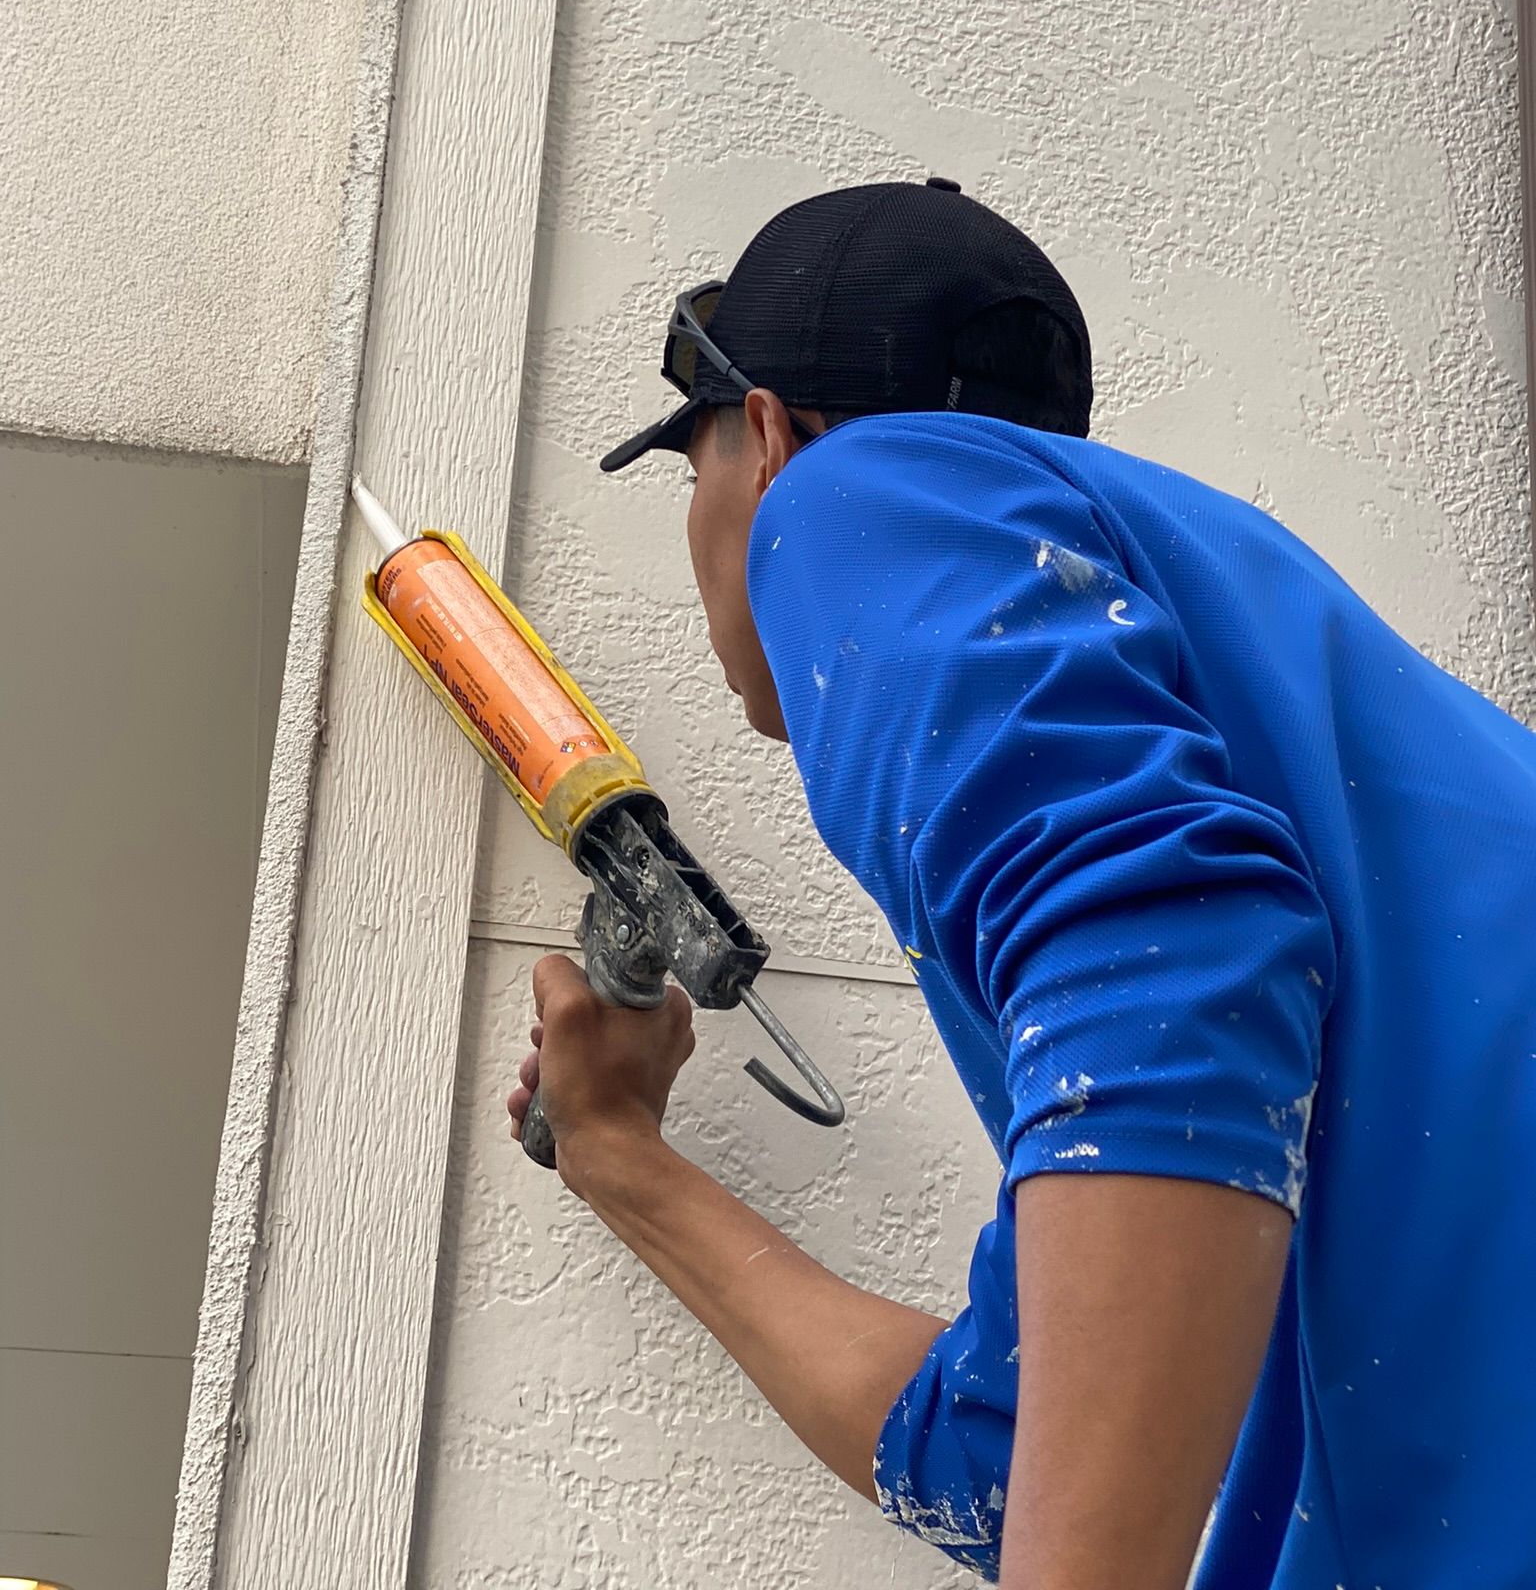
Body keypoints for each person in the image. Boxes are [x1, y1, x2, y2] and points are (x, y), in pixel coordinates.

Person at [505, 177, 1536, 1590]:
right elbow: (997, 1464)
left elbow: (1169, 963)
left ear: (764, 438)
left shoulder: (850, 499)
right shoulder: (1275, 702)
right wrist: (621, 1154)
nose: (707, 529)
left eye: (692, 475)